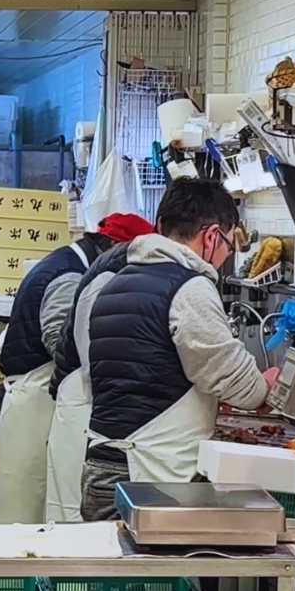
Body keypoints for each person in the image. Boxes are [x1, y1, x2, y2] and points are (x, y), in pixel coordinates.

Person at [81, 178, 274, 520]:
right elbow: (237, 381)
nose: (224, 258)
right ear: (213, 236)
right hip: (151, 475)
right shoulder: (189, 287)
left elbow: (151, 374)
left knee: (110, 570)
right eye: (229, 246)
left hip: (103, 464)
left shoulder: (117, 282)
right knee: (156, 574)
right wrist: (265, 385)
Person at [0, 213, 153, 523]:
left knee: (34, 510)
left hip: (40, 396)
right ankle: (10, 574)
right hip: (35, 404)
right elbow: (60, 342)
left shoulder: (69, 264)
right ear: (113, 247)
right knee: (23, 509)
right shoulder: (69, 276)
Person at [44, 236, 138, 522]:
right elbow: (91, 357)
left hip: (80, 406)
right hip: (82, 410)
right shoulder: (103, 283)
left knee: (69, 522)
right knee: (73, 521)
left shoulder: (103, 277)